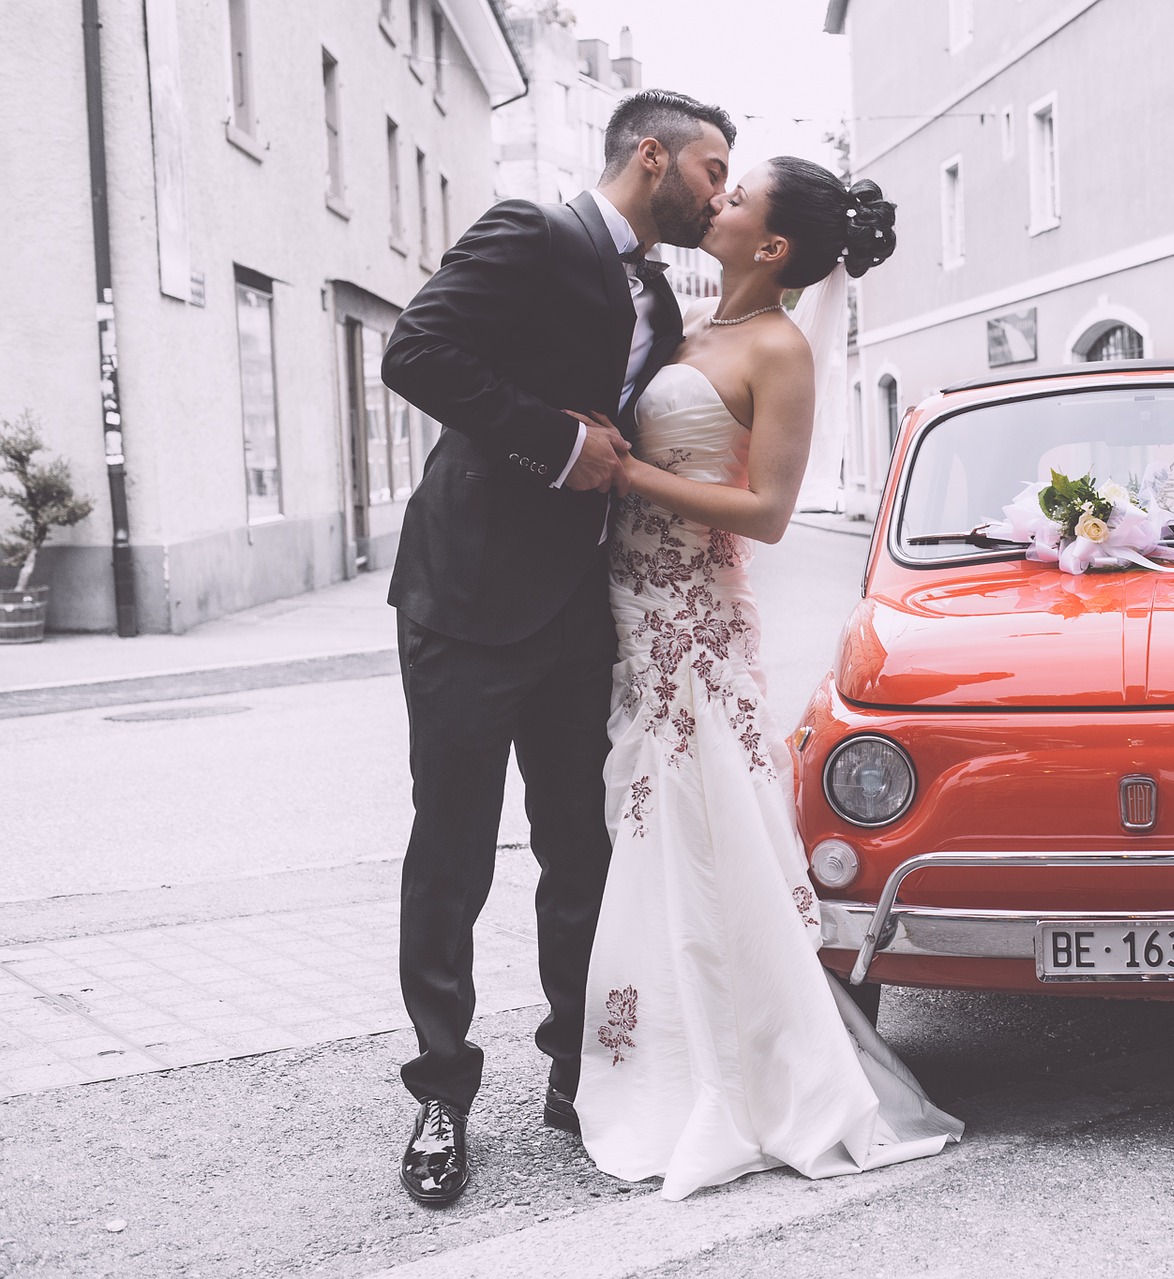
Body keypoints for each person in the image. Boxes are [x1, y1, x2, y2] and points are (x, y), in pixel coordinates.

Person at [569, 157, 963, 1200]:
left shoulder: (780, 348)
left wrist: (625, 470)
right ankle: (650, 1045)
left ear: (775, 246)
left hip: (694, 623)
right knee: (645, 825)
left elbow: (769, 512)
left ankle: (734, 1073)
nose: (719, 201)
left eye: (737, 198)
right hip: (631, 608)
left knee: (707, 828)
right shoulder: (690, 321)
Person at [379, 90, 735, 1208]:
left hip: (582, 607)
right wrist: (551, 441)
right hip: (466, 598)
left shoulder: (659, 290)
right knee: (453, 854)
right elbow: (415, 352)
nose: (720, 194)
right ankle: (442, 1091)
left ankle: (577, 1074)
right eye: (713, 171)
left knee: (582, 850)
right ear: (652, 157)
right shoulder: (530, 230)